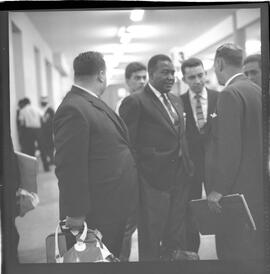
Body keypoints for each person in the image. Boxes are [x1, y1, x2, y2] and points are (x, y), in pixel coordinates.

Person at [53, 51, 138, 258]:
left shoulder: (89, 102)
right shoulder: (74, 108)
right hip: (98, 212)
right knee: (99, 261)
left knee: (113, 257)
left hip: (112, 203)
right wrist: (75, 213)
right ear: (101, 75)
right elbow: (69, 166)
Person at [119, 54, 194, 261]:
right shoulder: (135, 102)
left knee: (176, 233)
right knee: (152, 236)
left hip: (179, 176)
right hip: (152, 181)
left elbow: (180, 136)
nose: (171, 77)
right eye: (165, 72)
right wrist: (140, 176)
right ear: (151, 74)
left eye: (172, 72)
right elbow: (127, 145)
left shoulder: (176, 100)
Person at [205, 43, 263, 262]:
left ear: (219, 63)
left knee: (233, 253)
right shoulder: (256, 90)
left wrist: (218, 189)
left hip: (236, 193)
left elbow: (230, 147)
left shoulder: (229, 93)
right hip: (257, 188)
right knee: (254, 251)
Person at [180, 57, 219, 253]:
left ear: (205, 74)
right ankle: (192, 254)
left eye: (200, 75)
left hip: (215, 165)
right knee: (190, 212)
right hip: (191, 168)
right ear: (184, 79)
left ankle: (224, 251)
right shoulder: (178, 102)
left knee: (221, 208)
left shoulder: (219, 97)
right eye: (191, 77)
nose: (197, 80)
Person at [117, 61, 146, 262]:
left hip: (148, 173)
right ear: (128, 81)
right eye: (137, 78)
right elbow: (126, 141)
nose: (142, 81)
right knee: (127, 224)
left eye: (145, 77)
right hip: (132, 172)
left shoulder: (149, 101)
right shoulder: (128, 103)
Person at [39, 96, 55, 171]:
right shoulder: (42, 110)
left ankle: (52, 160)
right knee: (46, 146)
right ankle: (50, 159)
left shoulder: (49, 110)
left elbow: (54, 119)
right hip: (43, 131)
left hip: (49, 131)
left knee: (50, 145)